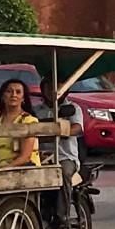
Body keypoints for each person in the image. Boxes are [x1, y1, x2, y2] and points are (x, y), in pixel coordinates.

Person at [38, 78, 84, 220]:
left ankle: (62, 216)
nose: (53, 91)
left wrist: (62, 130)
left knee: (63, 173)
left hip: (65, 157)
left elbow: (78, 128)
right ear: (43, 89)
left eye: (58, 87)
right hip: (42, 157)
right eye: (49, 87)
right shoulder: (37, 111)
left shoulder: (73, 109)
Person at [0, 78, 40, 168]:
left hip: (26, 171)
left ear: (23, 98)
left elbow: (25, 157)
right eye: (9, 91)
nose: (13, 95)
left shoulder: (29, 120)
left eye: (18, 92)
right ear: (2, 96)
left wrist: (5, 169)